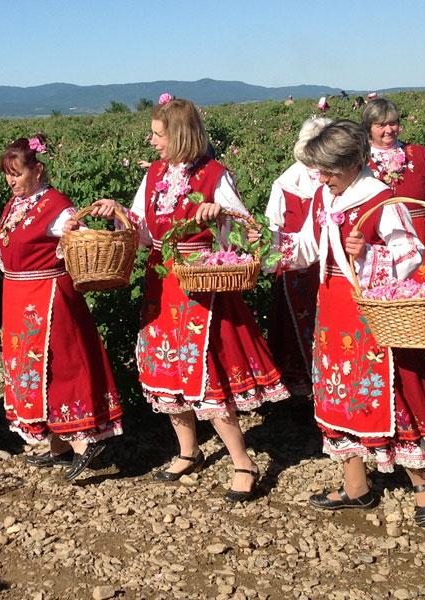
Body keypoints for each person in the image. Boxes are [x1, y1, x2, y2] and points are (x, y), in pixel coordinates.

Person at [86, 98, 289, 502]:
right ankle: (187, 451)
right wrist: (118, 213)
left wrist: (219, 217)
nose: (153, 141)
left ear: (179, 134)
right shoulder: (156, 174)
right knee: (166, 365)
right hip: (162, 279)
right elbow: (144, 229)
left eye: (158, 134)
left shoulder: (215, 175)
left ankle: (243, 462)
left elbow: (245, 235)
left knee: (206, 370)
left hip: (203, 282)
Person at [273, 120, 425, 526]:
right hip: (333, 306)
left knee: (391, 389)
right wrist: (273, 250)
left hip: (372, 310)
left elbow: (410, 256)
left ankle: (424, 483)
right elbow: (307, 246)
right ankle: (356, 485)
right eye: (318, 171)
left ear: (353, 164)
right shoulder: (325, 195)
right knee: (339, 387)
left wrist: (370, 253)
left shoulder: (382, 200)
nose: (321, 178)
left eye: (328, 171)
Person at [0, 135, 123, 481]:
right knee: (31, 370)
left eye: (17, 173)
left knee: (59, 366)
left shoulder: (56, 204)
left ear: (37, 170)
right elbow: (17, 243)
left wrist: (70, 230)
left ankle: (85, 441)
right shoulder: (16, 204)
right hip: (20, 297)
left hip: (49, 298)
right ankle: (58, 445)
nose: (11, 181)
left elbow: (69, 234)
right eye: (7, 174)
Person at [361, 98, 425, 390]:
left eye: (393, 123)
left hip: (422, 234)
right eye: (381, 125)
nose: (389, 130)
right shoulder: (361, 159)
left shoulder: (420, 154)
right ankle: (400, 370)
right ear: (369, 128)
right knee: (394, 303)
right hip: (385, 239)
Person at [264, 116, 331, 396]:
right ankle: (301, 392)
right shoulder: (286, 182)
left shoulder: (340, 178)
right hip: (295, 266)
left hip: (331, 266)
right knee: (296, 328)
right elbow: (272, 225)